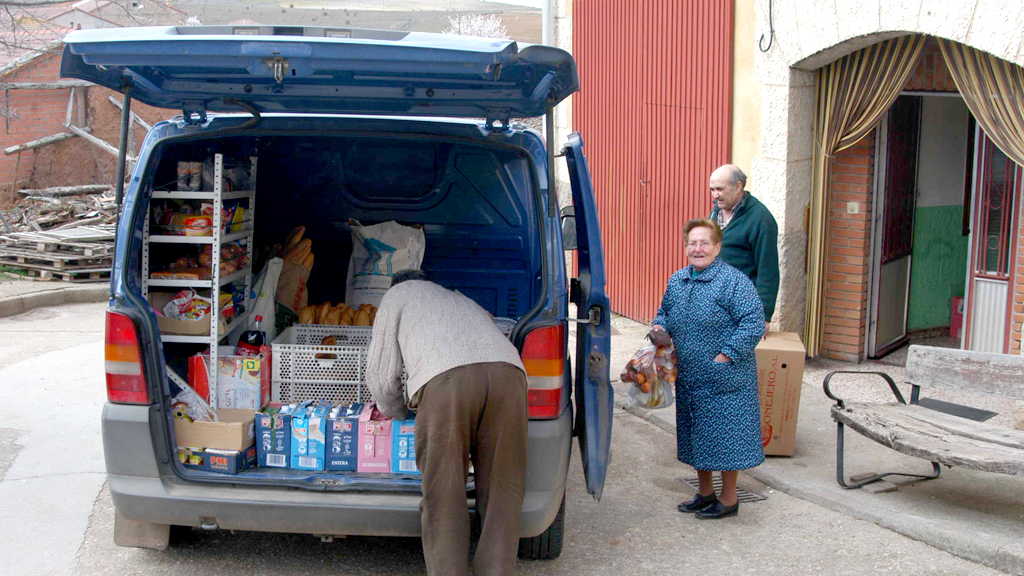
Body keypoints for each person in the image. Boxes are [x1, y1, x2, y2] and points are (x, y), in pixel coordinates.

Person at [365, 269, 528, 576]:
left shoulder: (395, 296)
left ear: (396, 285)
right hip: (510, 375)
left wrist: (398, 412)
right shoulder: (457, 297)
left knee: (444, 493)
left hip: (447, 381)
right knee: (503, 493)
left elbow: (381, 375)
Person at [649, 218, 765, 519]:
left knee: (725, 438)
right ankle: (704, 492)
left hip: (725, 377)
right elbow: (664, 311)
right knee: (695, 434)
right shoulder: (678, 280)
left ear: (717, 247)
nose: (697, 249)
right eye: (692, 243)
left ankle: (728, 499)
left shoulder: (734, 281)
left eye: (704, 243)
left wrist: (725, 357)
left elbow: (753, 323)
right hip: (689, 375)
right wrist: (659, 325)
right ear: (685, 247)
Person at [708, 164, 779, 333]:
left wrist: (763, 316)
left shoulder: (761, 219)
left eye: (720, 189)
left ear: (738, 186)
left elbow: (767, 270)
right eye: (712, 189)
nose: (715, 195)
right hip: (715, 299)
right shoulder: (716, 211)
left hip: (741, 304)